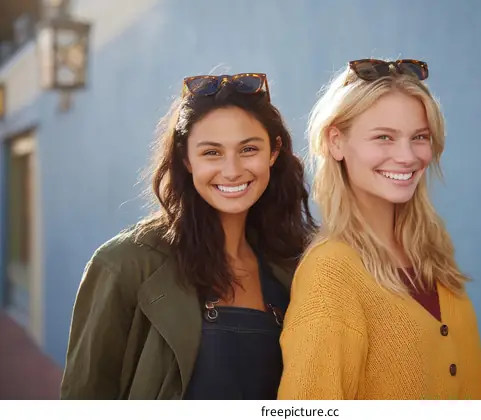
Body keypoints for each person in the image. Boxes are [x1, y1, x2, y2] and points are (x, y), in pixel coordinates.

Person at [60, 72, 316, 399]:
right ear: (186, 158)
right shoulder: (123, 265)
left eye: (248, 148)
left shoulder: (298, 263)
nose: (232, 170)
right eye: (211, 152)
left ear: (274, 151)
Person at [278, 59, 481, 399]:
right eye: (384, 137)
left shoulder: (433, 253)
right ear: (336, 141)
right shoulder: (331, 272)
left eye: (419, 137)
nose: (407, 156)